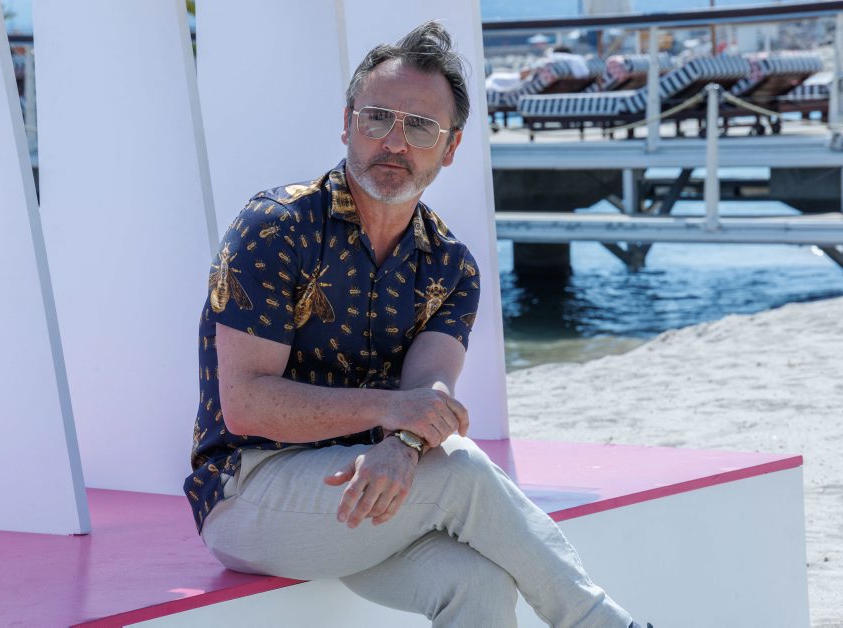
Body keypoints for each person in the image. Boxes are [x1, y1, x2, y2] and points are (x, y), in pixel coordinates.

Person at [185, 21, 647, 628]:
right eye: (378, 118)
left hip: (367, 489)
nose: (395, 142)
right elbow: (246, 405)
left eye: (422, 126)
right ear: (347, 123)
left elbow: (429, 392)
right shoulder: (276, 227)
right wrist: (393, 413)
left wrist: (403, 442)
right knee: (462, 473)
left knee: (477, 584)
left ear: (450, 147)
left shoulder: (451, 267)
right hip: (248, 491)